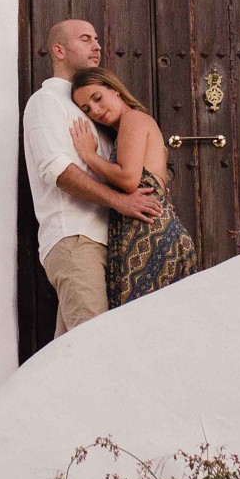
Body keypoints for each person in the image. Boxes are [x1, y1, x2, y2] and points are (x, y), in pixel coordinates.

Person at [22, 19, 162, 337]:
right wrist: (121, 201)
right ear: (59, 50)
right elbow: (57, 170)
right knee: (93, 346)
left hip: (103, 243)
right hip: (75, 239)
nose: (96, 45)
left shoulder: (89, 110)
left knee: (74, 352)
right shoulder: (46, 102)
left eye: (97, 39)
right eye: (85, 39)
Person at [69, 66, 199, 307]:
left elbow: (129, 179)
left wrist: (89, 155)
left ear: (115, 90)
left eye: (97, 98)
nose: (95, 110)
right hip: (144, 233)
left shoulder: (134, 119)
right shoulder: (124, 129)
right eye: (86, 109)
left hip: (152, 236)